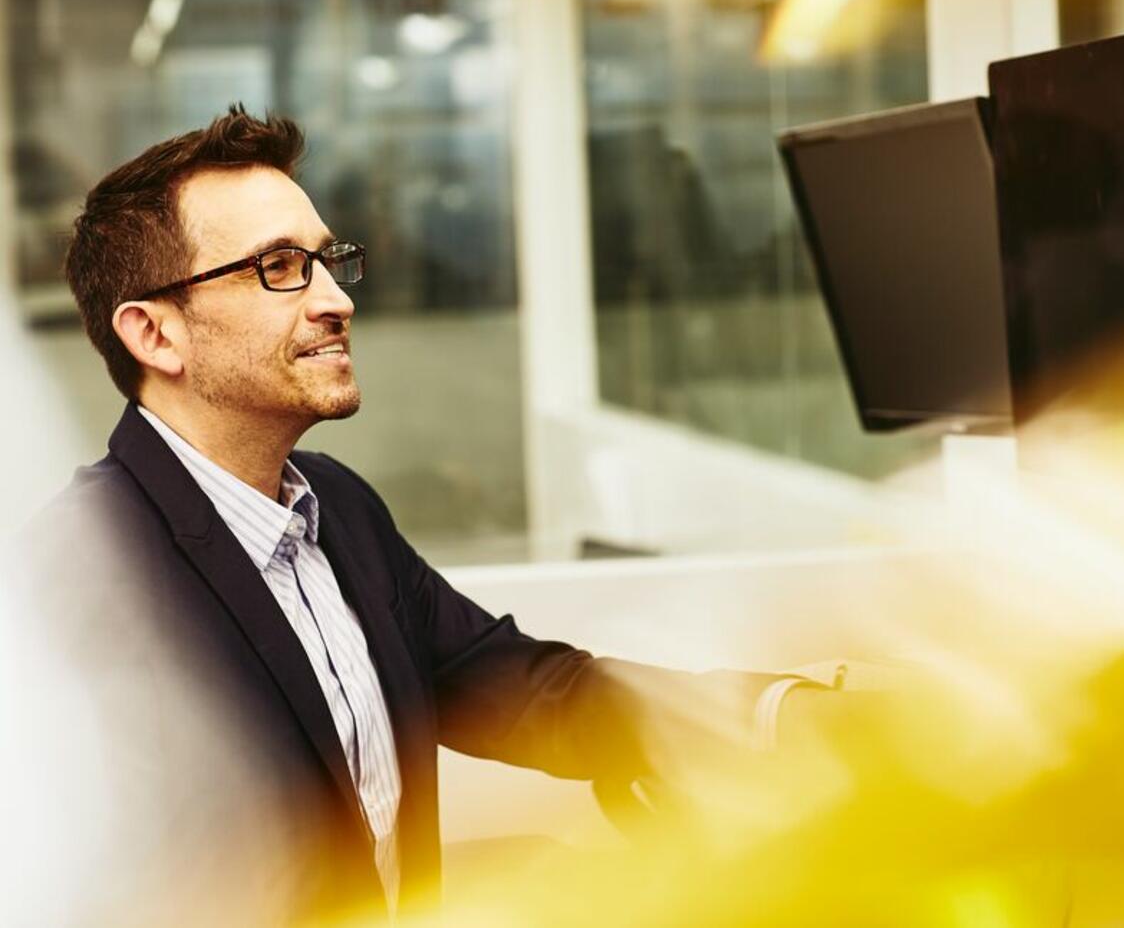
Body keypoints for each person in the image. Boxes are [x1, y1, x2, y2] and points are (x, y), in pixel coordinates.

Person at [17, 106, 811, 924]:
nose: (334, 301)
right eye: (280, 267)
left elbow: (523, 689)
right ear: (154, 333)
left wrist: (776, 713)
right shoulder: (75, 582)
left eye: (328, 262)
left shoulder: (337, 509)